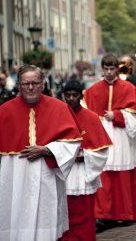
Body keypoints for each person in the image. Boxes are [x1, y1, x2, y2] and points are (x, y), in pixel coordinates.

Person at [0, 65, 82, 241]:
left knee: (46, 219)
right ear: (19, 85)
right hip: (14, 177)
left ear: (43, 84)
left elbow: (73, 143)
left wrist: (47, 149)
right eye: (26, 83)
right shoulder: (4, 111)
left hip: (46, 175)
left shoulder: (60, 108)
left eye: (35, 83)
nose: (30, 87)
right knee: (15, 216)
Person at [83, 53, 136, 229]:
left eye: (112, 69)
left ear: (117, 69)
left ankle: (125, 213)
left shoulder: (128, 88)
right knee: (104, 174)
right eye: (106, 69)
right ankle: (104, 215)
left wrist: (118, 115)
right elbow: (84, 116)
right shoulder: (92, 91)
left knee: (122, 175)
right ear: (102, 69)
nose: (109, 72)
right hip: (102, 135)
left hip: (121, 137)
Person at [61, 80, 112, 241]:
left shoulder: (92, 118)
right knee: (64, 212)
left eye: (74, 95)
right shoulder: (57, 116)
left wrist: (84, 156)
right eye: (67, 95)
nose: (71, 98)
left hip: (83, 173)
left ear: (80, 96)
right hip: (64, 173)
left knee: (84, 212)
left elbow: (103, 151)